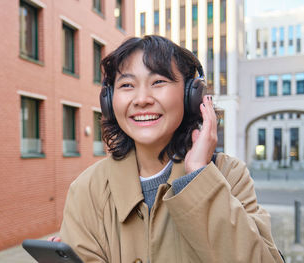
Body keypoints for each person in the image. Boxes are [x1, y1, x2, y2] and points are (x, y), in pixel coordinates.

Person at [57, 35, 283, 262]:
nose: (142, 99)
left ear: (191, 95)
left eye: (158, 82)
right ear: (109, 101)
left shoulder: (229, 174)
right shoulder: (88, 189)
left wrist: (198, 178)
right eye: (127, 85)